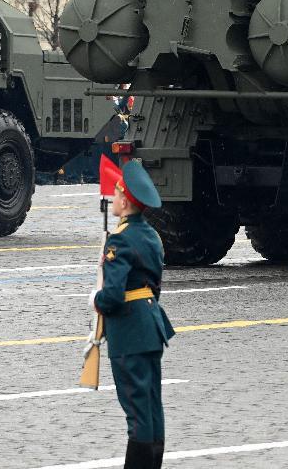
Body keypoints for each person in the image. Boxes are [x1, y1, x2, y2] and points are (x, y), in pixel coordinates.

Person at [90, 161, 174, 468]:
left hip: (129, 332)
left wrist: (96, 299)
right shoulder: (151, 235)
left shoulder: (121, 239)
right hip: (150, 327)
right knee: (151, 406)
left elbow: (112, 295)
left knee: (137, 411)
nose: (112, 198)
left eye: (116, 194)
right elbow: (153, 287)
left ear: (125, 201)